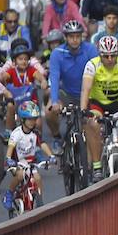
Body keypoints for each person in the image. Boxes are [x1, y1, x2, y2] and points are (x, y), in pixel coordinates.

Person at [80, 35, 118, 179]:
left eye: (113, 56)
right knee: (93, 125)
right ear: (100, 54)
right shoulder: (92, 65)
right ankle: (96, 166)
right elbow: (86, 89)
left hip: (117, 105)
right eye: (106, 56)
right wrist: (84, 111)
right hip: (98, 104)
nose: (110, 59)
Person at [45, 21, 97, 152]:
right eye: (71, 36)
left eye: (77, 36)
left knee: (89, 125)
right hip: (66, 93)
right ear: (66, 38)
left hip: (88, 94)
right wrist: (55, 101)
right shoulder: (57, 53)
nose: (74, 40)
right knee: (49, 111)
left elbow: (98, 72)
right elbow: (55, 78)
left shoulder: (90, 49)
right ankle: (57, 137)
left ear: (81, 37)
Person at [1, 101, 55, 211]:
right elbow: (11, 147)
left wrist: (51, 156)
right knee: (20, 175)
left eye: (34, 119)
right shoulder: (16, 133)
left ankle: (39, 199)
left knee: (38, 178)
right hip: (17, 162)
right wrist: (8, 159)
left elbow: (42, 144)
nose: (32, 122)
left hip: (31, 162)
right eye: (29, 119)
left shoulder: (35, 133)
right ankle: (9, 194)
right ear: (23, 120)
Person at [0, 40, 47, 130]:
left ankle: (38, 139)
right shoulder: (12, 71)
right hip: (16, 100)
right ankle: (8, 130)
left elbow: (39, 76)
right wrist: (0, 80)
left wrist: (43, 81)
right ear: (14, 61)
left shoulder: (31, 70)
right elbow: (2, 78)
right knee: (10, 106)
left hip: (30, 100)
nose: (23, 61)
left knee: (38, 123)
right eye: (20, 59)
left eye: (25, 59)